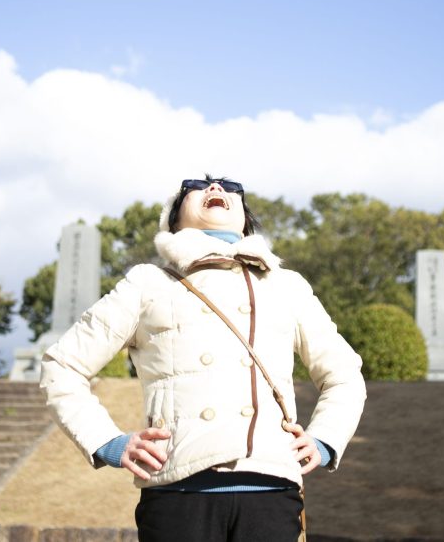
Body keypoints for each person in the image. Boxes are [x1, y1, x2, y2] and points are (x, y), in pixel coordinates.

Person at [40, 176, 366, 542]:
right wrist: (107, 441)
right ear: (174, 219)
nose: (216, 189)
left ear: (245, 218)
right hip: (177, 495)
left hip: (272, 495)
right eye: (196, 186)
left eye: (230, 187)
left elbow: (344, 375)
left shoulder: (287, 286)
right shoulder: (148, 283)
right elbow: (63, 366)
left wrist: (324, 439)